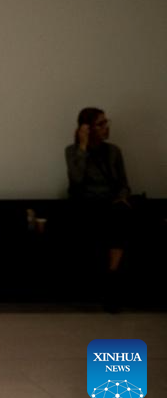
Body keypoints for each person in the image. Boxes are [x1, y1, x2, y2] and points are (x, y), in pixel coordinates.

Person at [65, 107, 133, 310]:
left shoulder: (113, 151)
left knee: (120, 215)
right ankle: (109, 282)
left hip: (111, 202)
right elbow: (76, 180)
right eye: (100, 124)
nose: (106, 127)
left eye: (106, 122)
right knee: (103, 219)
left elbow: (123, 183)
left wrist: (122, 197)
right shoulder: (72, 151)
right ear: (87, 128)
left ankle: (112, 278)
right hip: (87, 203)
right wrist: (83, 146)